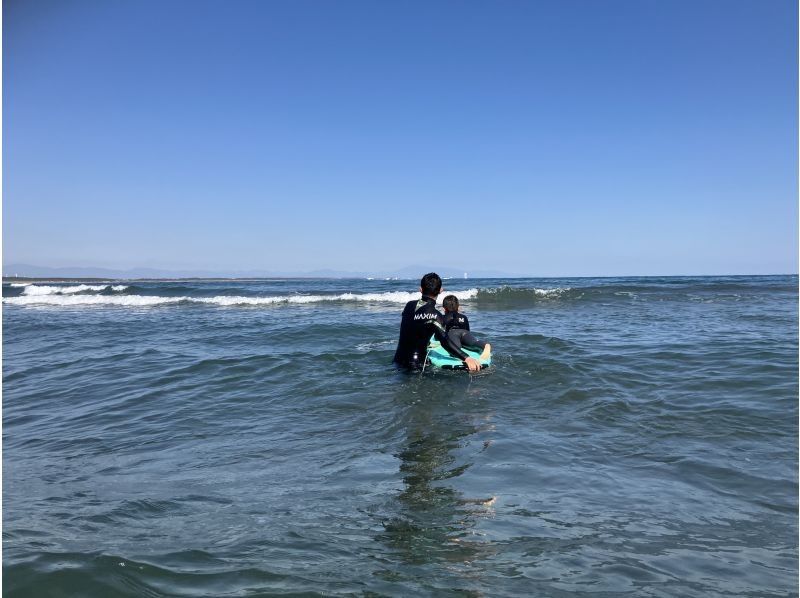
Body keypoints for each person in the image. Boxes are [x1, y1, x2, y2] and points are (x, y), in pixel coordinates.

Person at [393, 272, 482, 372]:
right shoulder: (435, 315)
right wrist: (467, 358)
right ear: (441, 290)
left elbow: (414, 327)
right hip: (416, 365)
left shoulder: (409, 305)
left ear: (420, 289)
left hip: (397, 361)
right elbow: (445, 342)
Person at [441, 295, 492, 361]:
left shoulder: (442, 318)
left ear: (444, 309)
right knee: (473, 343)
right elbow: (468, 331)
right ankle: (485, 345)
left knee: (455, 347)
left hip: (452, 333)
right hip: (465, 333)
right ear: (458, 307)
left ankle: (459, 349)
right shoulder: (464, 317)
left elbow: (440, 332)